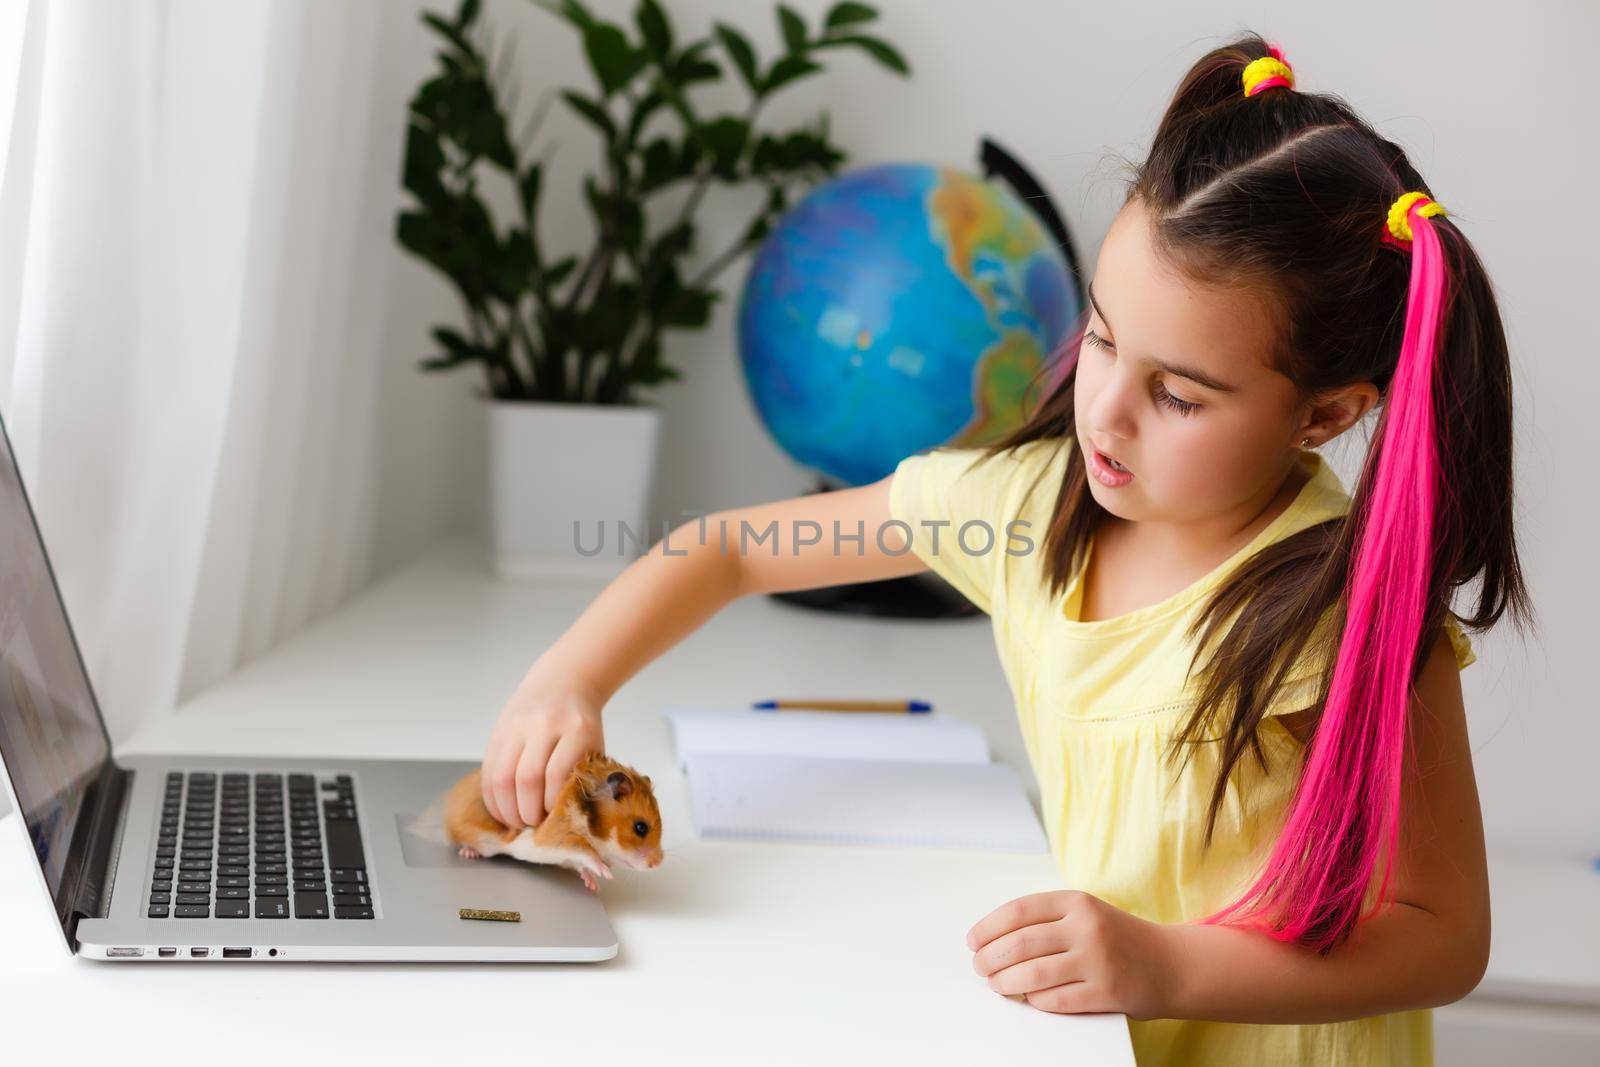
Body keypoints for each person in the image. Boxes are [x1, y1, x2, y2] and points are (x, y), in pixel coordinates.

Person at [478, 33, 1532, 1065]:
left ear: (1321, 415)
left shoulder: (1349, 610)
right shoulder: (1030, 507)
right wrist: (567, 677)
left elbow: (1444, 934)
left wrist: (1167, 966)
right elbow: (732, 549)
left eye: (1177, 394)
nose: (1105, 414)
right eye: (1106, 338)